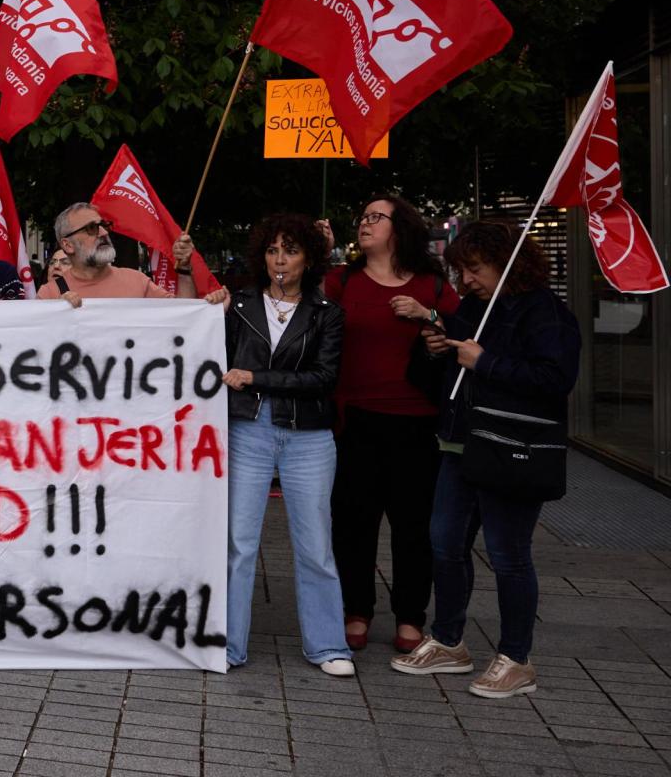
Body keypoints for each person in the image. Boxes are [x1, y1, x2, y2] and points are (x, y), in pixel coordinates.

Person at [392, 222, 579, 698]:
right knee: (445, 544)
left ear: (507, 264)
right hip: (460, 446)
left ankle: (517, 659)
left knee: (508, 555)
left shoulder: (547, 313)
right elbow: (455, 362)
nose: (466, 280)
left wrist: (485, 360)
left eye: (474, 269)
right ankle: (450, 641)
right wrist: (437, 345)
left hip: (512, 452)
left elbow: (555, 380)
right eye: (462, 271)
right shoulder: (475, 306)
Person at [218, 214, 355, 677]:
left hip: (310, 437)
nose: (280, 260)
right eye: (273, 250)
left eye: (291, 250)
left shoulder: (326, 312)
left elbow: (323, 379)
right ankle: (228, 644)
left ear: (309, 259)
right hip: (247, 432)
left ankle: (328, 644)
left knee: (315, 544)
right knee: (238, 543)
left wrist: (256, 379)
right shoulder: (237, 307)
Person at [325, 195, 461, 653]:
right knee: (353, 524)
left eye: (375, 218)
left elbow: (469, 335)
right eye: (361, 217)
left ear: (399, 228)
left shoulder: (432, 285)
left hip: (417, 423)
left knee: (413, 526)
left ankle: (410, 617)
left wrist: (430, 316)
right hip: (355, 421)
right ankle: (355, 610)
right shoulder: (342, 280)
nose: (364, 224)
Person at [36, 203, 226, 306]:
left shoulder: (137, 281)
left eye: (103, 225)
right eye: (92, 228)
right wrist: (55, 316)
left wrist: (184, 268)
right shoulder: (49, 294)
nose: (103, 233)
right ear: (68, 245)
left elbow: (182, 318)